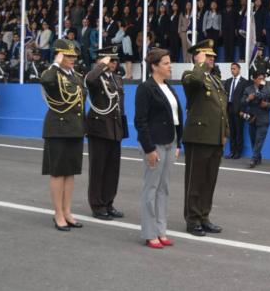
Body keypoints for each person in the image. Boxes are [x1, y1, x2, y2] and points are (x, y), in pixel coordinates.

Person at [134, 48, 183, 249]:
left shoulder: (168, 87)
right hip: (155, 144)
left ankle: (161, 230)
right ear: (154, 66)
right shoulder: (145, 88)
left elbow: (176, 117)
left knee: (164, 188)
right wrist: (149, 148)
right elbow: (140, 121)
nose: (169, 66)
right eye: (165, 63)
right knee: (151, 188)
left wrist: (178, 142)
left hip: (170, 142)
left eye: (169, 62)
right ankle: (149, 232)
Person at [181, 39, 228, 237]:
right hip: (198, 136)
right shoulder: (191, 75)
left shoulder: (214, 79)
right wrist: (199, 63)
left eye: (213, 57)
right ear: (198, 56)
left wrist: (224, 133)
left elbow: (222, 109)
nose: (212, 60)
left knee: (209, 180)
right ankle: (192, 219)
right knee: (196, 180)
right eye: (208, 56)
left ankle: (204, 216)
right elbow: (195, 80)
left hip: (214, 138)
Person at [40, 39, 86, 231]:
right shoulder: (52, 73)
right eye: (68, 55)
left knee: (70, 172)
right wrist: (55, 63)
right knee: (58, 172)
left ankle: (67, 211)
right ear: (59, 55)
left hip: (75, 129)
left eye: (74, 55)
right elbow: (46, 81)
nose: (73, 58)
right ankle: (58, 213)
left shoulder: (76, 76)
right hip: (58, 129)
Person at [85, 46, 128, 221]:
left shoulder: (117, 78)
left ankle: (108, 202)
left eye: (115, 60)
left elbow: (120, 105)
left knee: (112, 170)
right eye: (110, 60)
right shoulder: (96, 77)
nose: (114, 63)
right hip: (99, 128)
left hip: (115, 128)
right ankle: (97, 205)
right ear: (101, 61)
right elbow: (89, 80)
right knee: (98, 169)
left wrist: (122, 128)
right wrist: (101, 66)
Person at [242, 71, 270, 168]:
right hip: (252, 118)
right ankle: (258, 156)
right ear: (254, 79)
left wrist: (267, 104)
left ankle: (253, 159)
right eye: (260, 78)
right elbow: (242, 102)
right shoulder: (248, 89)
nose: (262, 80)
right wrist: (248, 99)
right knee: (253, 140)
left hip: (263, 119)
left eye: (263, 78)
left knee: (259, 140)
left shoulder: (269, 89)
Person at [224, 62, 248, 159]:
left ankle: (238, 152)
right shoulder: (228, 81)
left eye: (234, 68)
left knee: (239, 132)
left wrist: (242, 110)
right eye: (231, 68)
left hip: (239, 110)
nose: (232, 70)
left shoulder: (245, 82)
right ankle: (232, 151)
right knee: (231, 132)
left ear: (239, 69)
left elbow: (245, 98)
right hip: (229, 108)